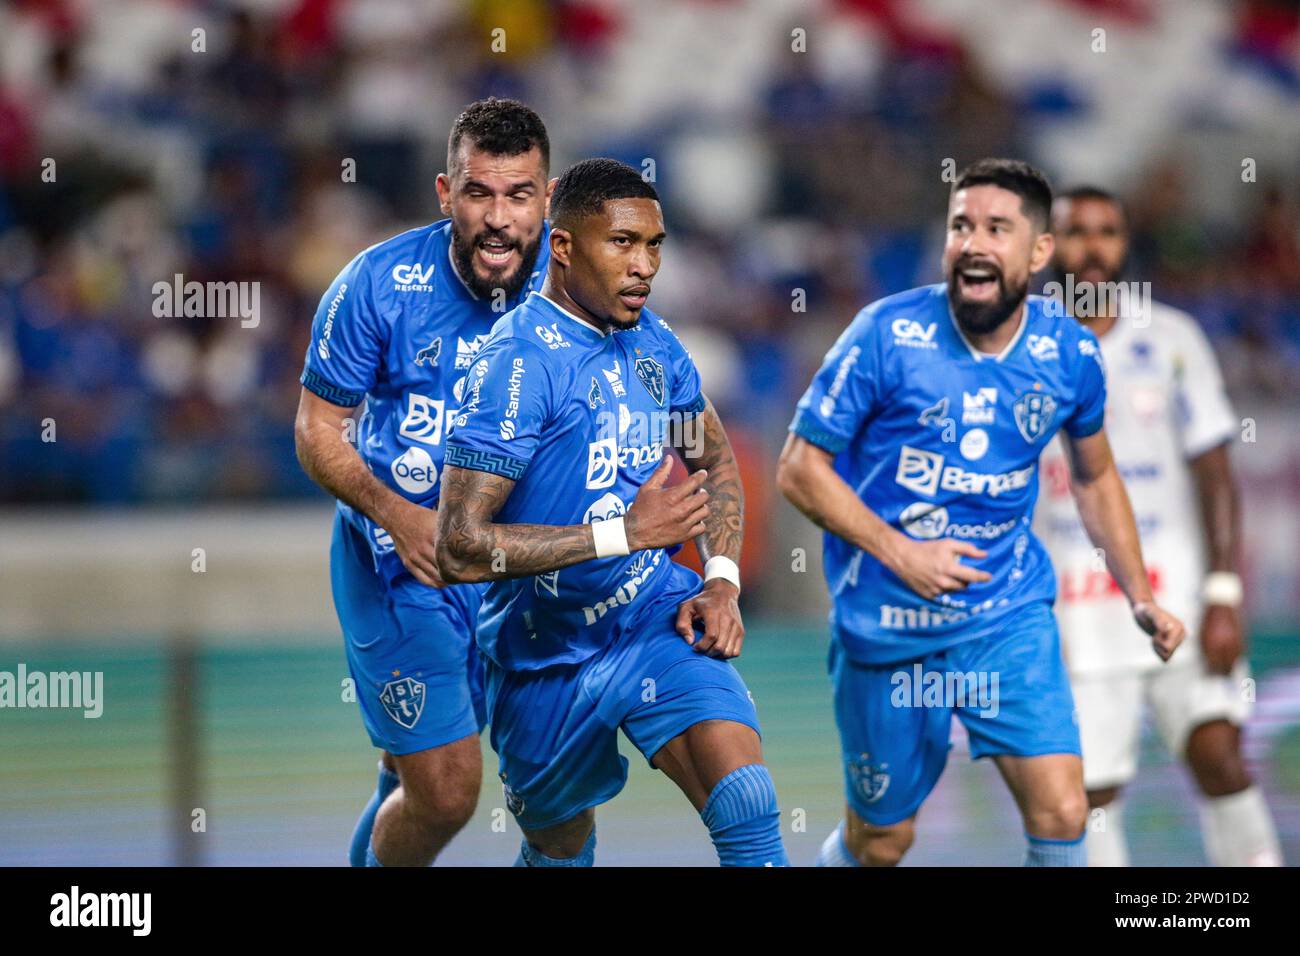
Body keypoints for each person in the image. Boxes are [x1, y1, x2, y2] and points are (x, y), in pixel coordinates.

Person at [776, 158, 1184, 867]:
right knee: (882, 840)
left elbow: (1095, 477)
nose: (973, 243)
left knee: (1063, 812)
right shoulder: (884, 334)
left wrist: (1140, 594)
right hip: (888, 630)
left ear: (1038, 251)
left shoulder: (1068, 353)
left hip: (1006, 618)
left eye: (998, 228)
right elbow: (798, 469)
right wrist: (902, 552)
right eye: (961, 226)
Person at [435, 158, 787, 867]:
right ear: (563, 248)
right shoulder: (518, 364)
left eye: (654, 245)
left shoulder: (653, 343)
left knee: (748, 803)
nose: (644, 266)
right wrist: (621, 534)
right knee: (561, 851)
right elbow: (460, 546)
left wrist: (720, 581)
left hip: (652, 616)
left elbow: (713, 460)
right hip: (541, 655)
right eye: (622, 243)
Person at [293, 98, 552, 866]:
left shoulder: (579, 296)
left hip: (515, 572)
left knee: (550, 782)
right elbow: (316, 429)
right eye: (479, 193)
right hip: (403, 566)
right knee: (445, 790)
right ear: (447, 194)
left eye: (518, 195)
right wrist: (398, 515)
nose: (497, 218)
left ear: (548, 195)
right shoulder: (376, 284)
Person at [1035, 185, 1282, 866]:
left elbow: (1215, 472)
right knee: (1091, 789)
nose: (1092, 246)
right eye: (1075, 231)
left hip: (1178, 594)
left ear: (1123, 244)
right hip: (1075, 607)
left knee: (1219, 754)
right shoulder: (1020, 346)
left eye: (1106, 231)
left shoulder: (1172, 338)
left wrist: (1224, 594)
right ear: (1049, 248)